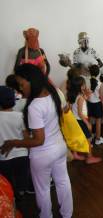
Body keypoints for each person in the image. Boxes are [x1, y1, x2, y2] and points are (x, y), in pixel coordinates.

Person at [0, 64, 73, 218]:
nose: (20, 88)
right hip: (60, 147)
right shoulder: (52, 93)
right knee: (63, 182)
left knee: (43, 189)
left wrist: (13, 142)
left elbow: (39, 140)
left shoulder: (34, 106)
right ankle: (67, 214)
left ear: (31, 80)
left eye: (21, 84)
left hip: (43, 154)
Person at [0, 86, 29, 199]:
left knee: (7, 182)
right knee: (21, 178)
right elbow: (26, 137)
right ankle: (21, 193)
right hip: (21, 154)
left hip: (3, 156)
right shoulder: (19, 116)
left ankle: (11, 197)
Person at [67, 76, 102, 164]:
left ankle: (75, 154)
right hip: (81, 120)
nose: (85, 86)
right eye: (84, 84)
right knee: (88, 139)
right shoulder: (80, 98)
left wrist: (86, 96)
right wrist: (87, 123)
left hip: (75, 120)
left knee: (76, 137)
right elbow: (80, 112)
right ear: (81, 86)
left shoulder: (74, 96)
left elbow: (74, 107)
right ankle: (89, 157)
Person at [87, 65, 103, 145]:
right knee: (98, 122)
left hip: (89, 103)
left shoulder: (87, 82)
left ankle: (90, 139)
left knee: (91, 121)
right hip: (97, 104)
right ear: (98, 73)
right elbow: (101, 97)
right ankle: (98, 139)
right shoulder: (99, 84)